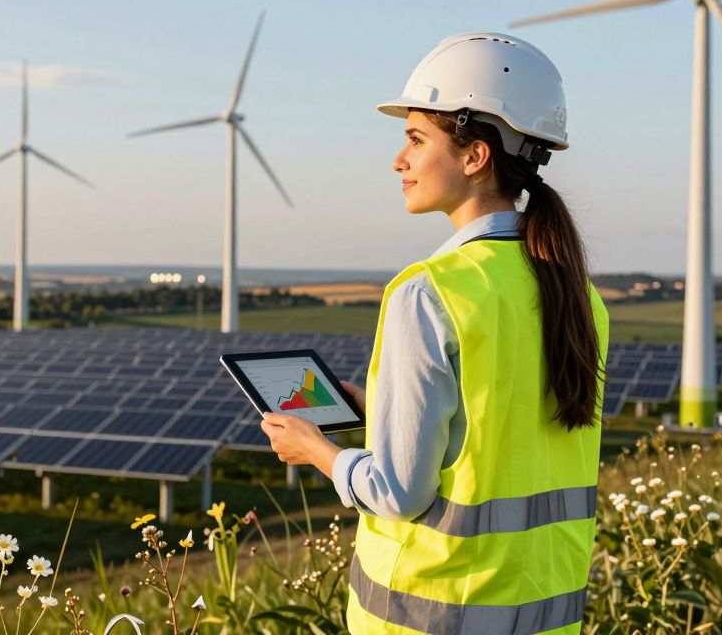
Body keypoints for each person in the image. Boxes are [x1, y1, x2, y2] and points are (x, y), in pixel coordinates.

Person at [260, 32, 609, 635]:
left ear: (475, 156)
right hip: (545, 615)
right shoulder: (576, 292)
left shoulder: (428, 292)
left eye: (416, 139)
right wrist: (387, 414)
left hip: (432, 615)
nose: (399, 160)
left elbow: (398, 494)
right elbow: (504, 432)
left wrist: (314, 449)